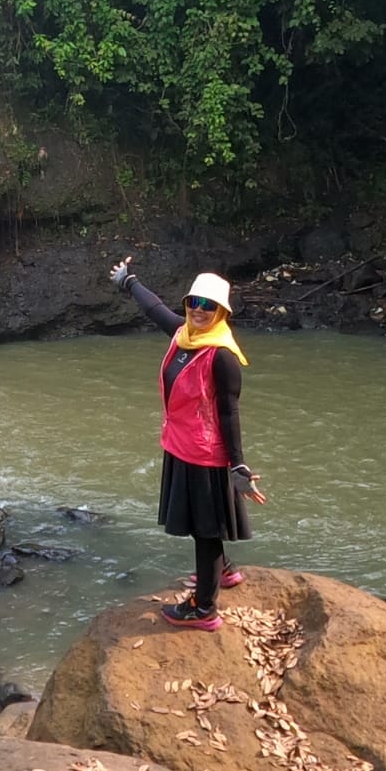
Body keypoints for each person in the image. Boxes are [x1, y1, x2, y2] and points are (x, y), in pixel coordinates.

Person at [109, 256, 265, 631]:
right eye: (194, 302)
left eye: (208, 306)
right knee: (202, 525)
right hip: (180, 445)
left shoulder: (222, 356)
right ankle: (222, 571)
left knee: (206, 530)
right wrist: (128, 281)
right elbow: (153, 308)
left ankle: (204, 609)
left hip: (206, 456)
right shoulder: (184, 335)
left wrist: (238, 466)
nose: (198, 310)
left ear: (221, 312)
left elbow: (230, 414)